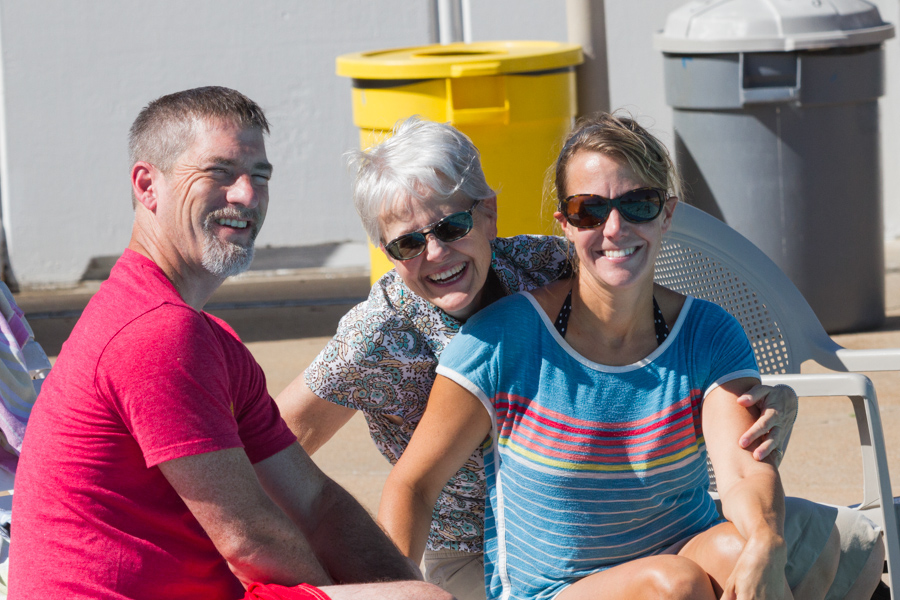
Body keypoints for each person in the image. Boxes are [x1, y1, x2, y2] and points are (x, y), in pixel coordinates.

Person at [275, 116, 884, 600]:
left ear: (488, 213)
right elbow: (285, 441)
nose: (436, 252)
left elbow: (735, 450)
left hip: (653, 522)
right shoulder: (402, 333)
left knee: (754, 552)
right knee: (675, 585)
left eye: (453, 225)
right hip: (480, 552)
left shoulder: (551, 263)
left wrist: (765, 534)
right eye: (408, 242)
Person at [9, 87, 452, 600]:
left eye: (259, 176)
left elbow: (313, 502)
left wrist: (392, 583)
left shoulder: (205, 336)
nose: (246, 194)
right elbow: (248, 537)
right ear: (147, 185)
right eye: (219, 172)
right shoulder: (153, 333)